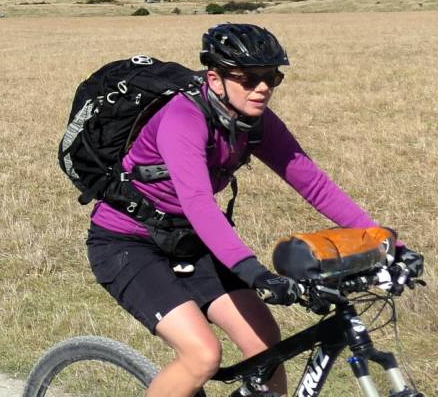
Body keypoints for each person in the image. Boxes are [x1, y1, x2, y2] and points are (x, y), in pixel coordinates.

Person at [84, 23, 418, 396]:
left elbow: (316, 186)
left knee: (266, 348)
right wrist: (254, 272)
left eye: (271, 78)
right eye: (248, 78)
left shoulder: (256, 123)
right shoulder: (183, 119)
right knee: (202, 355)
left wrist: (388, 244)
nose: (262, 88)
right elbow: (199, 205)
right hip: (128, 243)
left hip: (190, 242)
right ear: (215, 78)